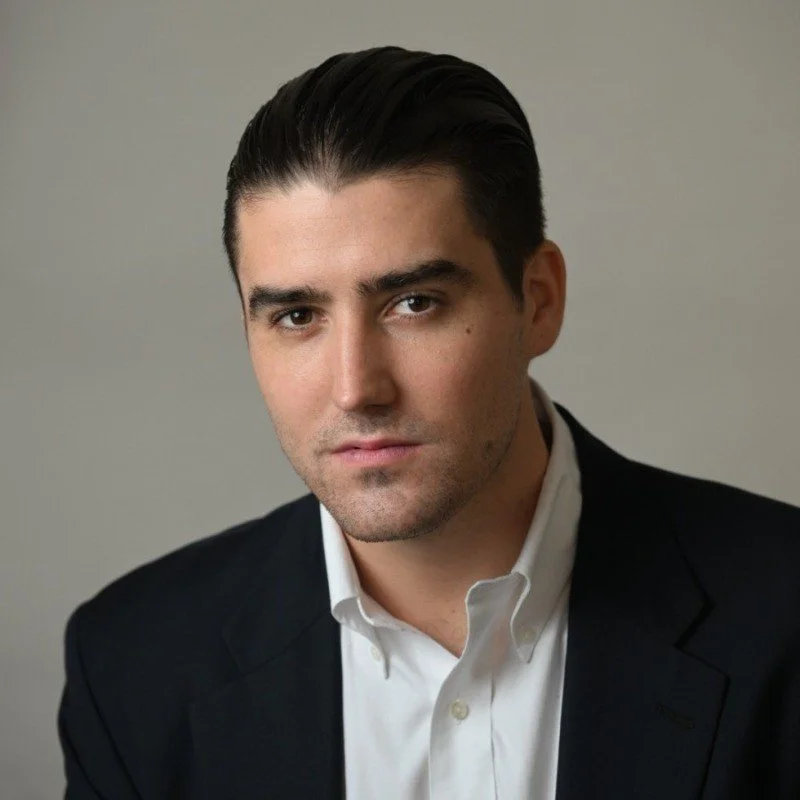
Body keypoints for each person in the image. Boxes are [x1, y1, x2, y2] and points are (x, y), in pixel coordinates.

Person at [58, 46, 800, 799]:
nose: (355, 389)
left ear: (538, 299)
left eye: (415, 303)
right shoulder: (131, 666)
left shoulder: (784, 612)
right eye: (297, 315)